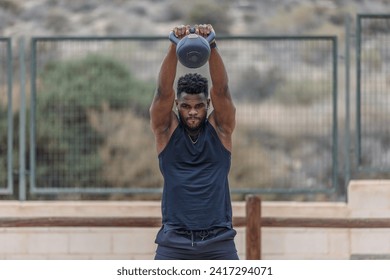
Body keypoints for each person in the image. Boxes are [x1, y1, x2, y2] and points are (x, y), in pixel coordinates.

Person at [149, 24, 238, 260]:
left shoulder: (221, 130)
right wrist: (173, 44)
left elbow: (222, 90)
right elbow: (162, 92)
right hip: (174, 243)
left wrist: (211, 44)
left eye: (199, 106)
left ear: (207, 104)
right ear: (177, 105)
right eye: (186, 106)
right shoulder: (165, 131)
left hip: (219, 243)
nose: (192, 112)